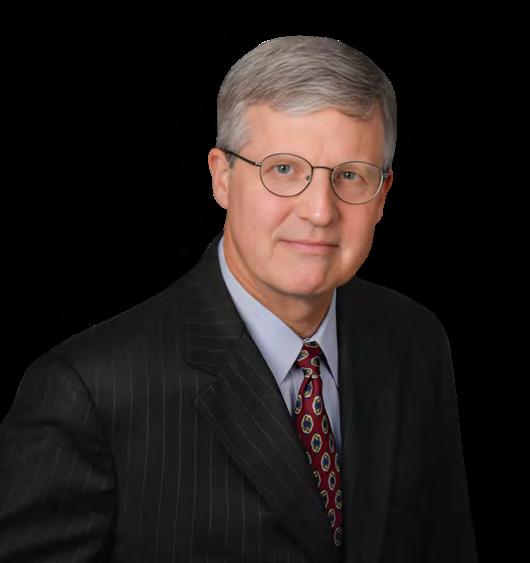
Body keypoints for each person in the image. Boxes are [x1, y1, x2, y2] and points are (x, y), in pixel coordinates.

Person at [0, 35, 477, 562]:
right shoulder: (88, 391)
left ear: (383, 195)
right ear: (222, 178)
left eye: (349, 176)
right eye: (284, 169)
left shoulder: (415, 343)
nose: (320, 211)